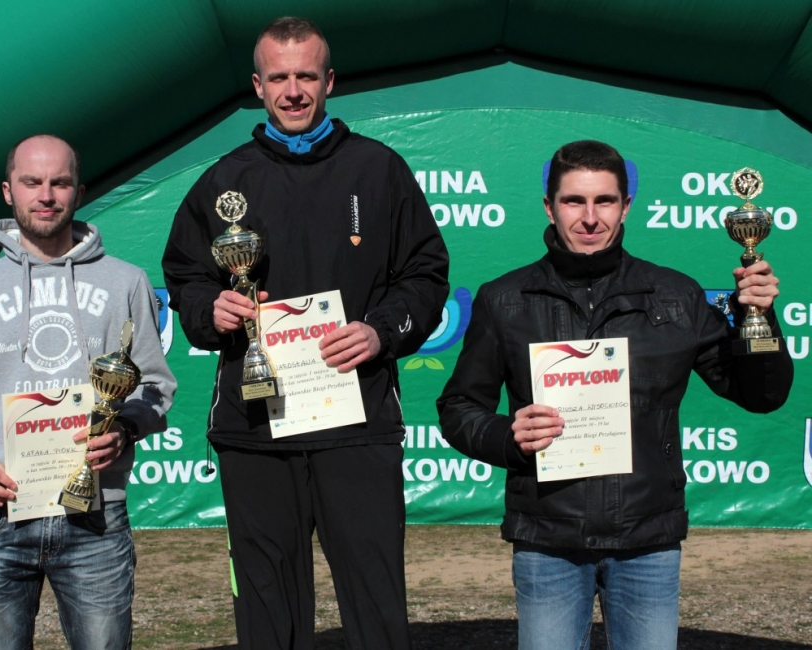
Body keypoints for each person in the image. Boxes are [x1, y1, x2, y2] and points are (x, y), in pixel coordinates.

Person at [162, 16, 449, 650]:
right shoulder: (223, 181)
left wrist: (379, 331)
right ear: (258, 86)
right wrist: (210, 309)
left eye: (306, 77)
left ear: (329, 81)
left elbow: (426, 276)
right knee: (268, 609)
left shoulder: (379, 170)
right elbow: (185, 276)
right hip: (256, 424)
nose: (293, 91)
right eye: (279, 78)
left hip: (357, 421)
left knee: (375, 604)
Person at [437, 140, 794, 649]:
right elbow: (458, 408)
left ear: (626, 206)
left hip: (647, 540)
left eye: (604, 201)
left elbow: (761, 394)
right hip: (548, 539)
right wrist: (506, 436)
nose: (590, 218)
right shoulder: (505, 299)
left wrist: (760, 319)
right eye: (574, 201)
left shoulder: (676, 296)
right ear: (549, 207)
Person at [0, 134, 176, 649]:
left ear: (78, 192)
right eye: (32, 182)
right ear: (8, 191)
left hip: (95, 518)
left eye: (59, 183)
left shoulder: (125, 282)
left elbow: (155, 385)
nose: (46, 195)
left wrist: (126, 429)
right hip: (0, 515)